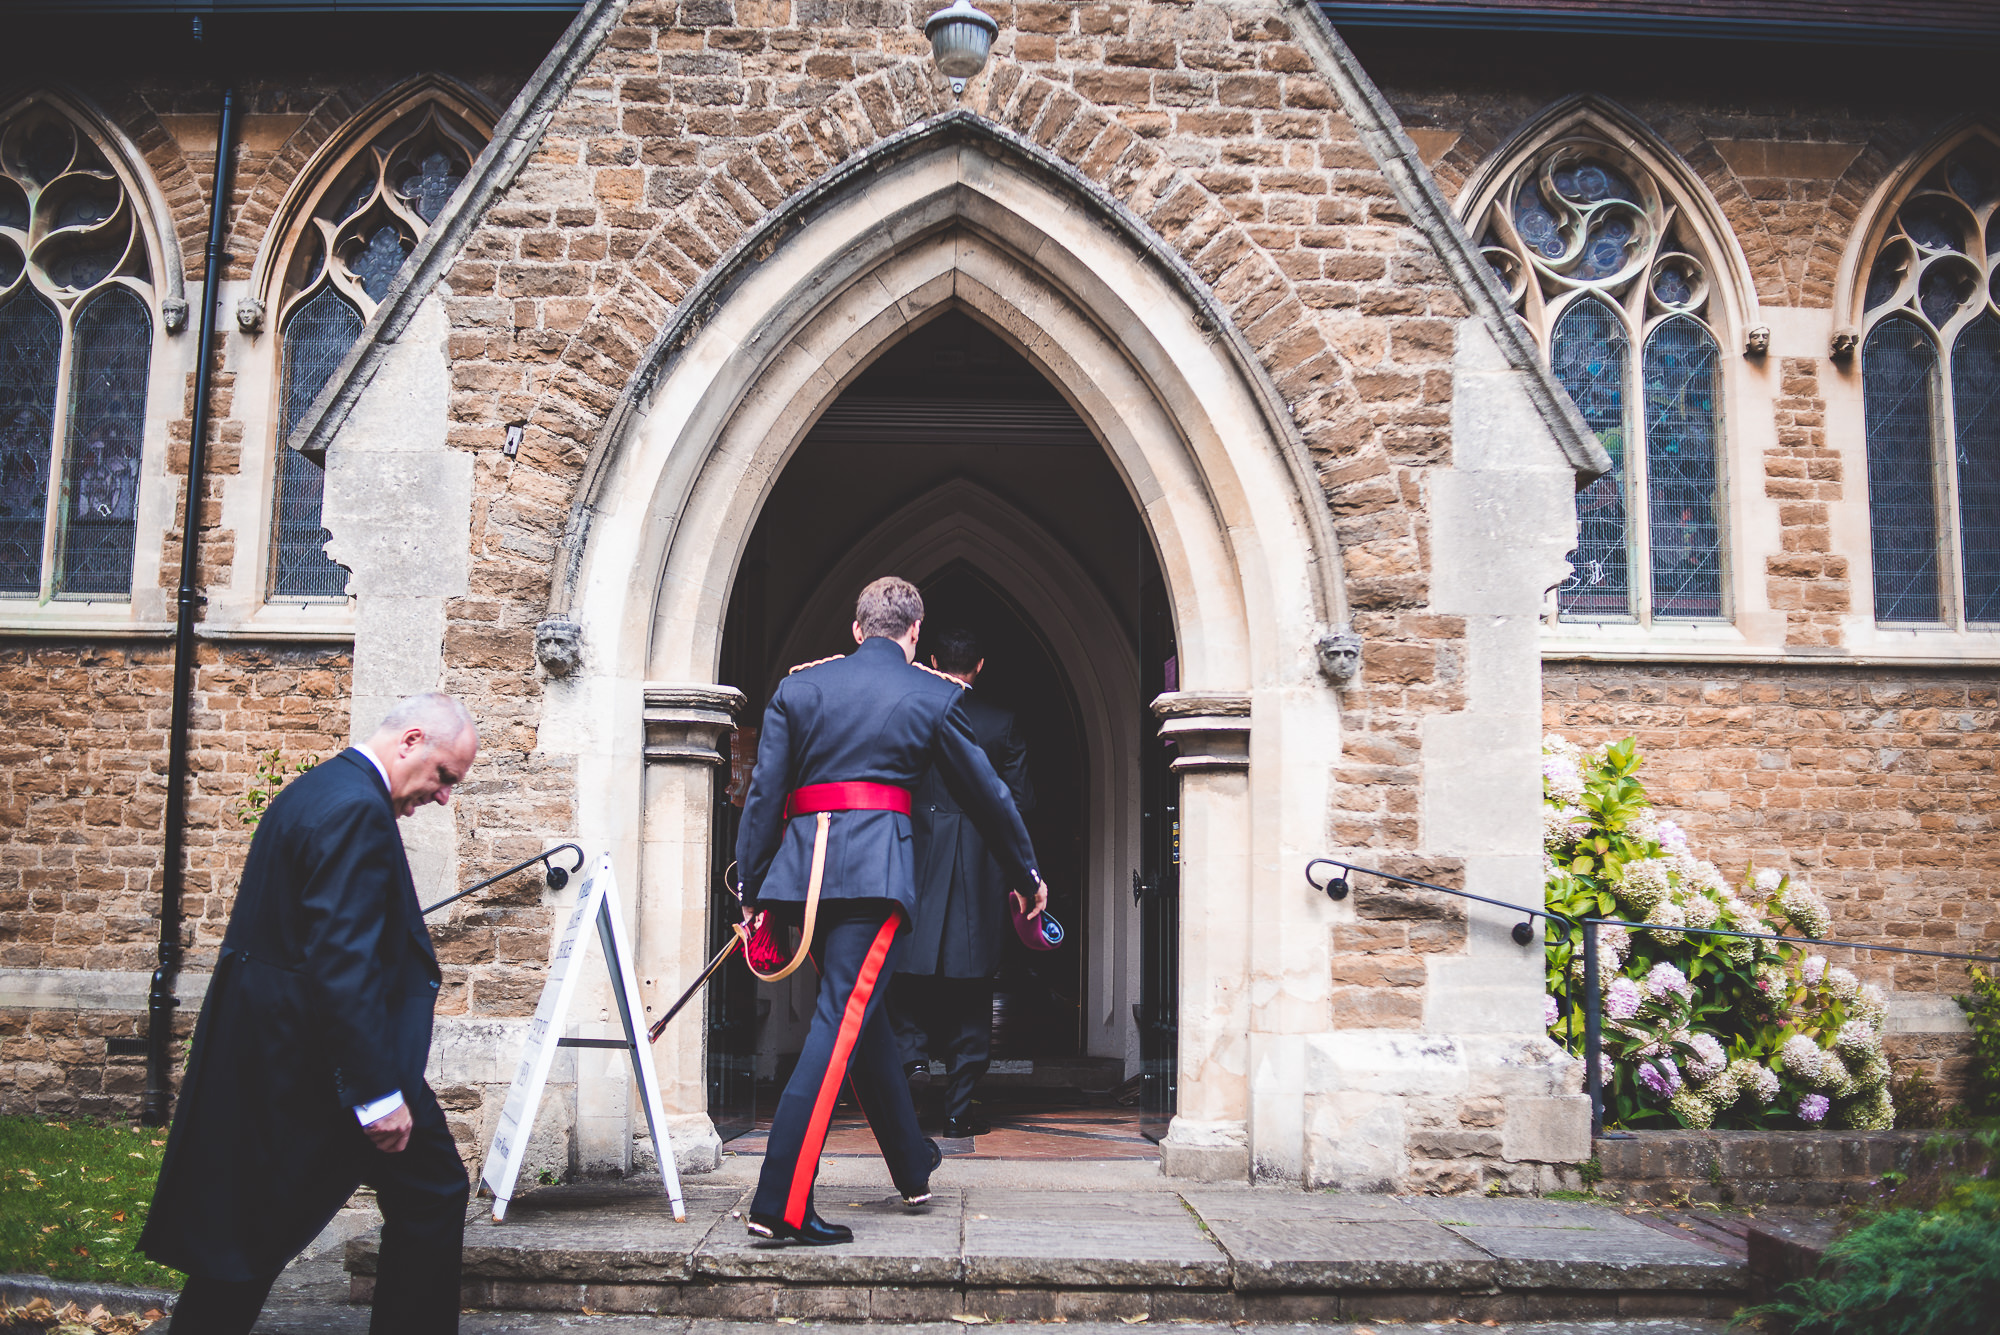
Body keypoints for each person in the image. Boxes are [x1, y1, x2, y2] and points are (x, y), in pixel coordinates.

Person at [141, 693, 481, 1335]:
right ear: (411, 741)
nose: (441, 797)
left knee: (263, 1222)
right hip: (320, 1059)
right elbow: (341, 962)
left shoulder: (317, 789)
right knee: (421, 1194)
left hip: (278, 1049)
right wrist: (376, 1093)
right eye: (443, 776)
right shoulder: (357, 810)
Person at [735, 577, 1045, 1246]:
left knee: (858, 1015)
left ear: (856, 628)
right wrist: (1025, 873)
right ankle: (779, 1201)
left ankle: (911, 1163)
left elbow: (764, 797)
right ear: (914, 635)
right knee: (840, 1021)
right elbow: (988, 795)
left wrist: (752, 890)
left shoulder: (799, 687)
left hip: (799, 880)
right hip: (873, 878)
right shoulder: (933, 693)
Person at [891, 626, 1035, 1143]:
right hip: (979, 869)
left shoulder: (908, 709)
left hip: (913, 863)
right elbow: (1018, 806)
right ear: (979, 666)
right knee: (973, 988)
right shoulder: (1000, 722)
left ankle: (911, 1068)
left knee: (903, 976)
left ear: (930, 660)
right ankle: (957, 1111)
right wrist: (1026, 874)